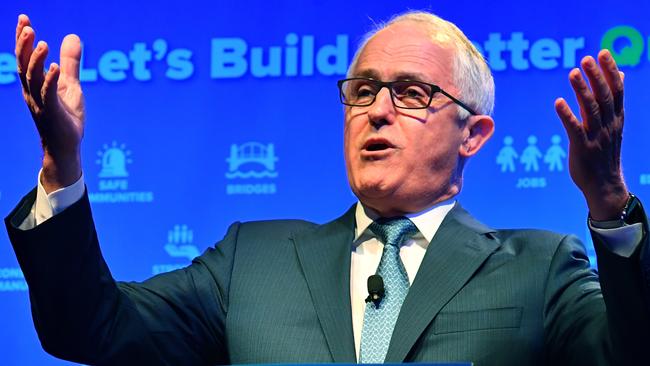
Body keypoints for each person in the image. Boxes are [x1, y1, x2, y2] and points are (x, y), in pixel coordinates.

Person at [5, 10, 649, 366]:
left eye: (412, 93)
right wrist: (63, 165)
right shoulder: (250, 263)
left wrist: (610, 202)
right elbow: (88, 328)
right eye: (363, 91)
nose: (376, 110)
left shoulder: (539, 268)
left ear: (472, 134)